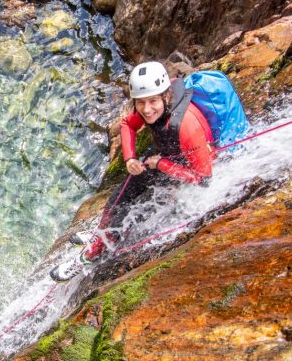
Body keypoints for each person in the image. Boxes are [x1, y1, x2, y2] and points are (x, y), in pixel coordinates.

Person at [50, 61, 215, 281]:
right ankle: (100, 234)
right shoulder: (155, 107)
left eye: (153, 101)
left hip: (182, 171)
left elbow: (203, 178)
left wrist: (162, 165)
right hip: (165, 162)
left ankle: (87, 258)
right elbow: (127, 124)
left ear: (166, 96)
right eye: (141, 103)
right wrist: (129, 159)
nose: (147, 109)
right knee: (119, 197)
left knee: (127, 214)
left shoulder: (186, 125)